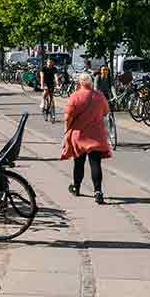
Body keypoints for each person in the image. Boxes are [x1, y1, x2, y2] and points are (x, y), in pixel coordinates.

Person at [60, 72, 112, 204]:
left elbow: (68, 117)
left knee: (79, 163)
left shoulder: (75, 96)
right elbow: (106, 111)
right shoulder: (99, 96)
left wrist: (66, 132)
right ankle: (98, 192)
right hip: (96, 135)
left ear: (80, 83)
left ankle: (76, 188)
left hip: (80, 135)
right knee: (95, 164)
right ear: (91, 82)